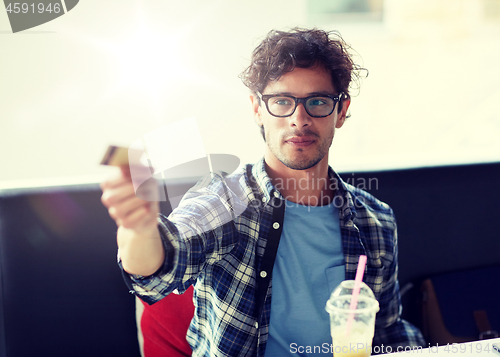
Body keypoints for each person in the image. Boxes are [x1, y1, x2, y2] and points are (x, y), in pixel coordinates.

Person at [100, 27, 425, 357]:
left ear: (340, 111)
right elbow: (158, 268)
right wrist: (138, 229)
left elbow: (387, 330)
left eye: (317, 101)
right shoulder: (226, 202)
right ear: (258, 108)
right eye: (282, 101)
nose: (299, 119)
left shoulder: (376, 221)